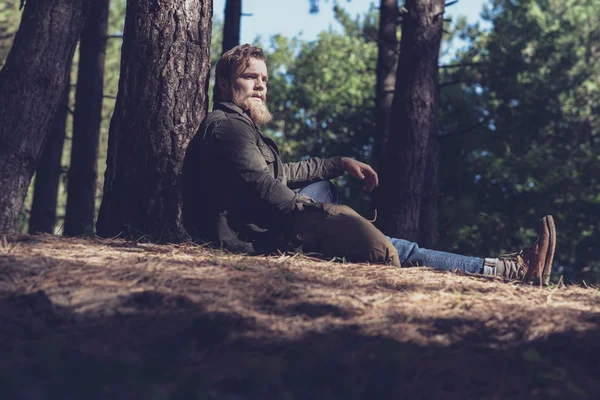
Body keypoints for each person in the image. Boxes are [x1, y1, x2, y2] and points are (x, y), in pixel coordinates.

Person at [182, 44, 556, 285]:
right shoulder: (229, 128)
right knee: (400, 250)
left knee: (330, 191)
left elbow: (280, 175)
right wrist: (328, 214)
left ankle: (503, 268)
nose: (261, 86)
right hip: (256, 239)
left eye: (264, 79)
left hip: (267, 223)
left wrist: (338, 163)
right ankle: (505, 270)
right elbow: (269, 192)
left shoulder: (240, 126)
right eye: (250, 77)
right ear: (226, 83)